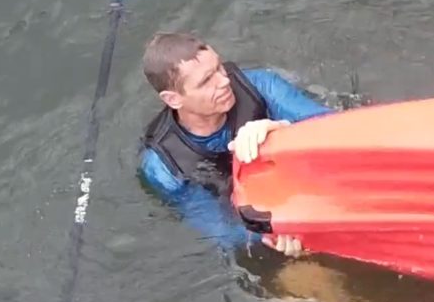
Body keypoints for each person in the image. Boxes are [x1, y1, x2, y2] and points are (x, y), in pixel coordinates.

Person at [136, 30, 331, 249]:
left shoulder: (260, 86)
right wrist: (278, 231)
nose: (224, 81)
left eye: (219, 67)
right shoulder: (164, 166)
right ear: (173, 99)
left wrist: (282, 132)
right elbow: (223, 230)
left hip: (298, 179)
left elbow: (334, 127)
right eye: (206, 81)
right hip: (246, 207)